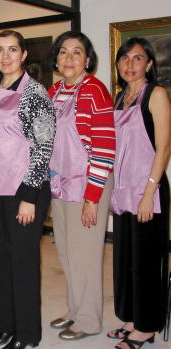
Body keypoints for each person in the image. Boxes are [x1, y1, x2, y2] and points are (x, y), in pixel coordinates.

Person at [0, 30, 55, 349]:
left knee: (23, 262)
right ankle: (6, 326)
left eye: (13, 50)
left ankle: (27, 334)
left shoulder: (35, 92)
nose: (6, 56)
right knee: (0, 262)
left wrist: (28, 196)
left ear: (24, 55)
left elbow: (44, 146)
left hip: (25, 189)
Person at [48, 31, 116, 340]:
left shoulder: (95, 91)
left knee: (85, 255)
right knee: (65, 251)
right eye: (64, 52)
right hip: (60, 183)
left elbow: (103, 149)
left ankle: (89, 319)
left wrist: (92, 198)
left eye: (77, 52)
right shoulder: (55, 90)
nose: (69, 58)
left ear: (87, 59)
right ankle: (75, 309)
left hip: (89, 184)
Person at [108, 37, 170, 349]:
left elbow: (163, 148)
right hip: (123, 191)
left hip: (148, 190)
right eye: (124, 58)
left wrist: (149, 192)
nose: (129, 64)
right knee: (125, 259)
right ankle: (132, 317)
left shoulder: (155, 94)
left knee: (146, 261)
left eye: (137, 58)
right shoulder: (120, 98)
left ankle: (146, 327)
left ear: (148, 64)